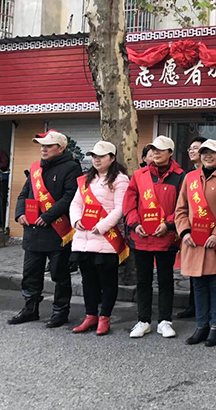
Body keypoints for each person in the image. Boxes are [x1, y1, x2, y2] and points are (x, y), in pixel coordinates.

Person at [9, 130, 82, 327]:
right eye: (42, 146)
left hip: (57, 231)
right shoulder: (36, 168)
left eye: (49, 146)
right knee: (31, 274)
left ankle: (60, 311)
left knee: (60, 274)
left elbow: (70, 197)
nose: (44, 149)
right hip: (33, 231)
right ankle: (30, 309)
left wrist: (48, 216)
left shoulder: (71, 168)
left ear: (61, 148)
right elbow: (24, 194)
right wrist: (20, 213)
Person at [175, 139, 216, 347]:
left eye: (212, 152)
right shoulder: (190, 178)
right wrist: (184, 231)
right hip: (194, 243)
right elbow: (181, 209)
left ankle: (215, 327)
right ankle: (201, 326)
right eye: (204, 153)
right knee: (198, 285)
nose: (208, 156)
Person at [123, 135, 185, 339]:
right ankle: (143, 320)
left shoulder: (181, 176)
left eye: (160, 149)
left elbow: (183, 206)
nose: (155, 153)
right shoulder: (139, 175)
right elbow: (129, 204)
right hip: (141, 237)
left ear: (170, 153)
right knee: (143, 280)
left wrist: (168, 224)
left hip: (166, 237)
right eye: (153, 149)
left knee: (166, 280)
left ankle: (165, 321)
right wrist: (135, 224)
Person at [69, 141, 129, 336]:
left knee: (107, 281)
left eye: (101, 156)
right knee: (88, 281)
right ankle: (90, 316)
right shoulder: (86, 179)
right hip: (84, 238)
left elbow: (120, 208)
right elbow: (76, 203)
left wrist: (102, 226)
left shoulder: (120, 179)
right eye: (94, 156)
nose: (96, 159)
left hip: (106, 238)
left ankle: (105, 318)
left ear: (112, 158)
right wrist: (76, 220)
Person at [177, 136, 208, 320]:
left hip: (210, 229)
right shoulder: (188, 175)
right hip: (191, 229)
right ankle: (193, 305)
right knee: (192, 271)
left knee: (210, 273)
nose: (192, 151)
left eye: (196, 148)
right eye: (190, 148)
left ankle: (209, 309)